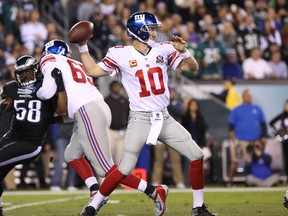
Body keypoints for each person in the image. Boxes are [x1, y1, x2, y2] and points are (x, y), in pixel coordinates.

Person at [76, 11, 214, 216]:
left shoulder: (165, 49)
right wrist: (82, 46)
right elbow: (93, 71)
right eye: (151, 29)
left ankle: (198, 208)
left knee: (197, 155)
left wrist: (185, 52)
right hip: (140, 118)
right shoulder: (119, 53)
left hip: (164, 117)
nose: (156, 32)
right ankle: (92, 206)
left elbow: (192, 68)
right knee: (124, 169)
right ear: (139, 31)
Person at [36, 39, 167, 216]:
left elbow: (47, 92)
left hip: (88, 111)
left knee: (107, 169)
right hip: (96, 107)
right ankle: (95, 189)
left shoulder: (50, 60)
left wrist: (35, 92)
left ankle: (153, 190)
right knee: (71, 155)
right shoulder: (75, 63)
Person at [0, 55, 66, 216]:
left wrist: (59, 85)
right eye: (20, 73)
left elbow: (63, 112)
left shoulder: (46, 87)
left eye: (27, 72)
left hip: (30, 143)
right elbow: (5, 107)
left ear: (35, 70)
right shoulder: (12, 87)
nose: (23, 76)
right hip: (11, 137)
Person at [227, 89, 268, 187]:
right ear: (242, 97)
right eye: (246, 95)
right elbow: (231, 126)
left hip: (255, 141)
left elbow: (263, 124)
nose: (248, 97)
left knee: (258, 160)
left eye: (250, 95)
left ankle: (257, 181)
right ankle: (230, 182)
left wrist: (264, 137)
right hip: (241, 141)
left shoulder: (257, 109)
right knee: (235, 161)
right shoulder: (237, 110)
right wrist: (234, 140)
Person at [104, 80, 129, 164]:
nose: (117, 88)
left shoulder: (124, 100)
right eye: (115, 86)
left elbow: (129, 115)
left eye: (118, 86)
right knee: (108, 157)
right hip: (110, 131)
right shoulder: (106, 101)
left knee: (120, 158)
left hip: (122, 132)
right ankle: (106, 177)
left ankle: (119, 177)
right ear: (111, 88)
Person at [269, 100, 288, 179]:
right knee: (287, 158)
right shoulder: (282, 116)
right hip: (286, 139)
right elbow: (271, 122)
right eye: (286, 105)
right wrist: (278, 130)